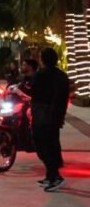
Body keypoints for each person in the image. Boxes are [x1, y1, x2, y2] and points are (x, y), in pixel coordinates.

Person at [28, 47, 70, 192]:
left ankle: (56, 177)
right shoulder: (62, 76)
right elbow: (64, 98)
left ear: (43, 60)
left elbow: (32, 91)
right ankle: (50, 176)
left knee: (40, 146)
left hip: (42, 116)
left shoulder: (41, 75)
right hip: (54, 116)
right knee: (52, 146)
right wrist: (61, 115)